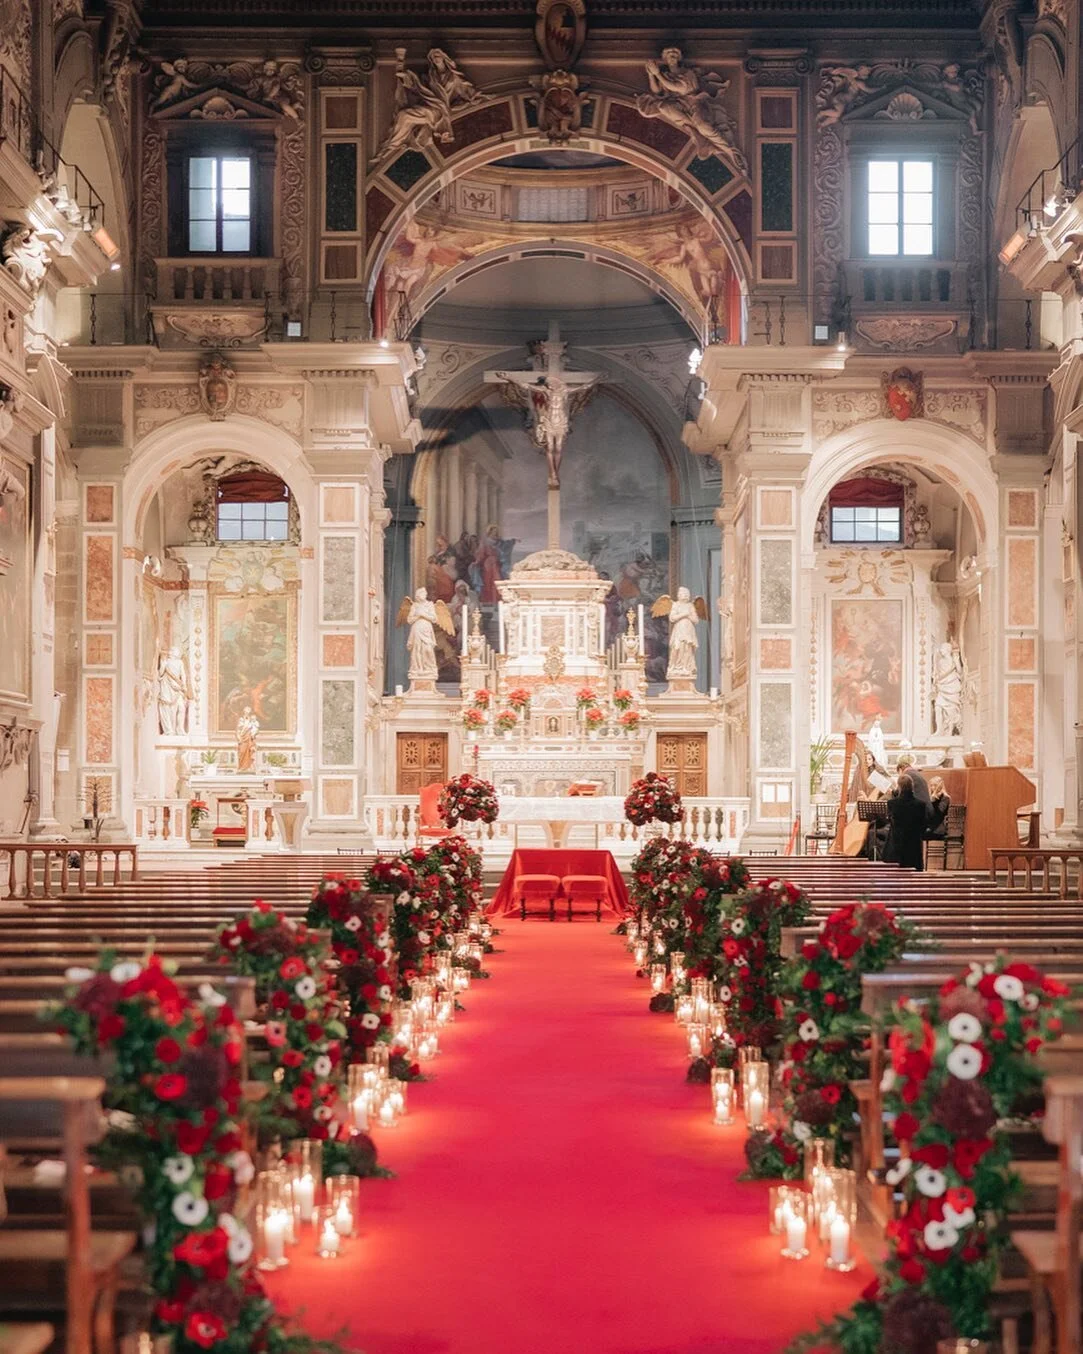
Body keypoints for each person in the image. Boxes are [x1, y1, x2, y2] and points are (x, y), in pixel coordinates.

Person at [886, 774, 928, 871]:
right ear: (912, 786)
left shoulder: (892, 803)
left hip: (897, 847)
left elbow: (891, 823)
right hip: (914, 847)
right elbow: (924, 825)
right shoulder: (921, 805)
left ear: (899, 786)